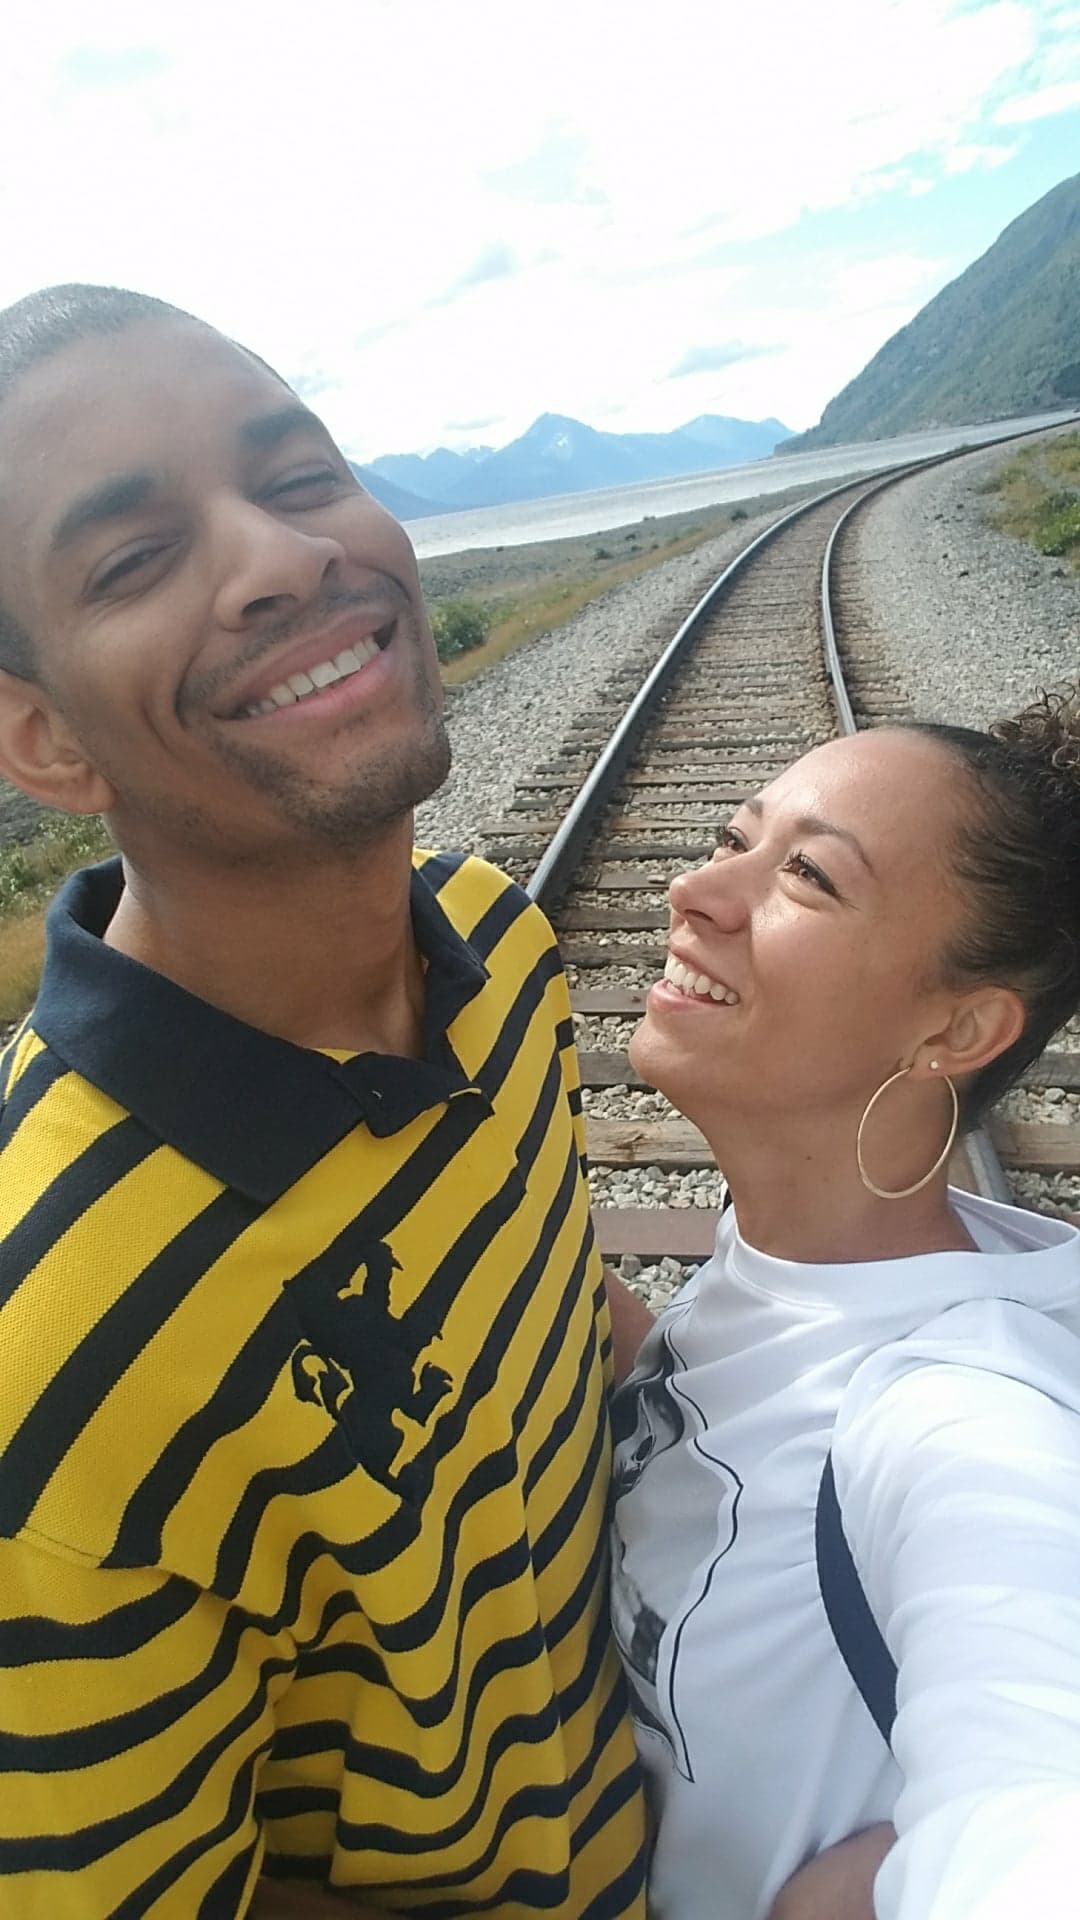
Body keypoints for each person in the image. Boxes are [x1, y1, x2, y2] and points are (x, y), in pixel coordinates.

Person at [0, 284, 649, 1917]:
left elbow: (539, 1328)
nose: (283, 559)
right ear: (45, 741)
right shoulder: (46, 1352)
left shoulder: (497, 944)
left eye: (297, 478)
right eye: (135, 560)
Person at [609, 689, 1080, 1919]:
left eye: (807, 877)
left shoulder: (962, 1418)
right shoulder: (794, 1262)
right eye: (733, 838)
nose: (695, 893)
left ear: (957, 1028)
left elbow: (1036, 1806)